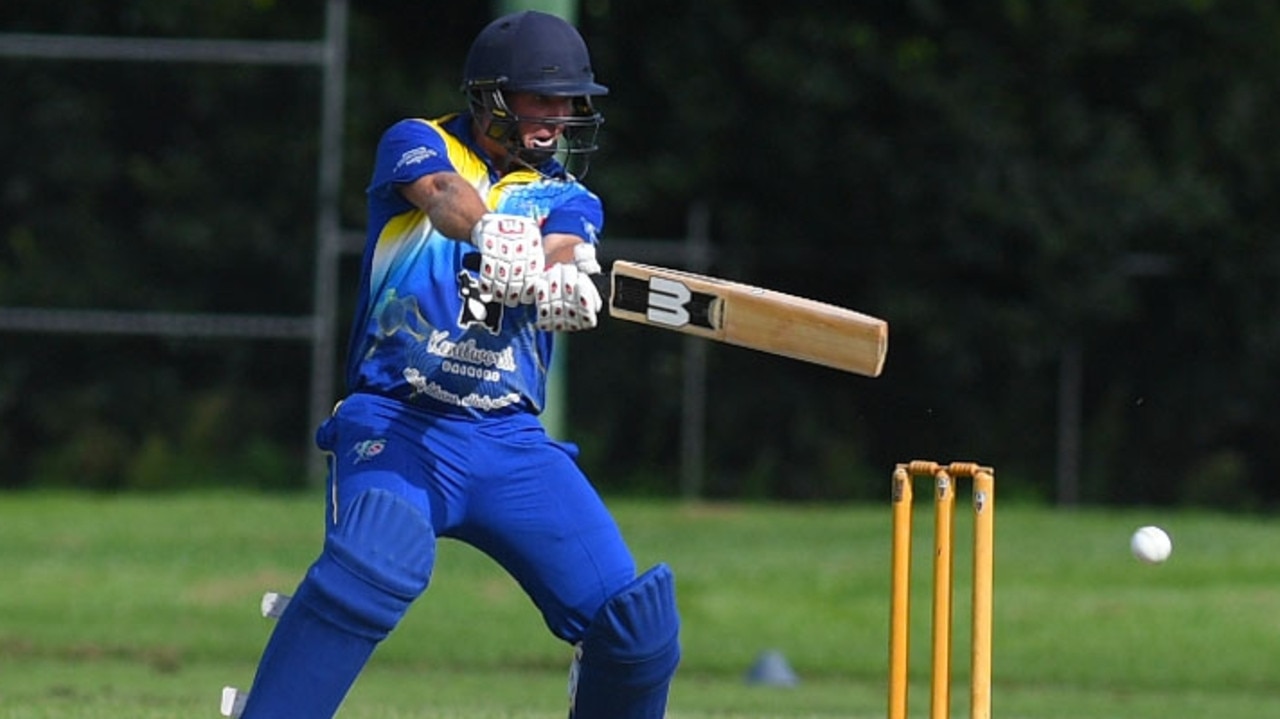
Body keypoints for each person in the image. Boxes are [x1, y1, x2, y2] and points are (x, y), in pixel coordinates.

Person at [225, 10, 681, 719]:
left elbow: (565, 243)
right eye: (542, 99)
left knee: (637, 626)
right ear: (493, 98)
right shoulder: (418, 142)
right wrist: (493, 231)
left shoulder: (570, 196)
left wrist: (560, 273)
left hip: (509, 442)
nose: (559, 118)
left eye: (570, 103)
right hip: (399, 419)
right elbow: (442, 196)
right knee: (376, 557)